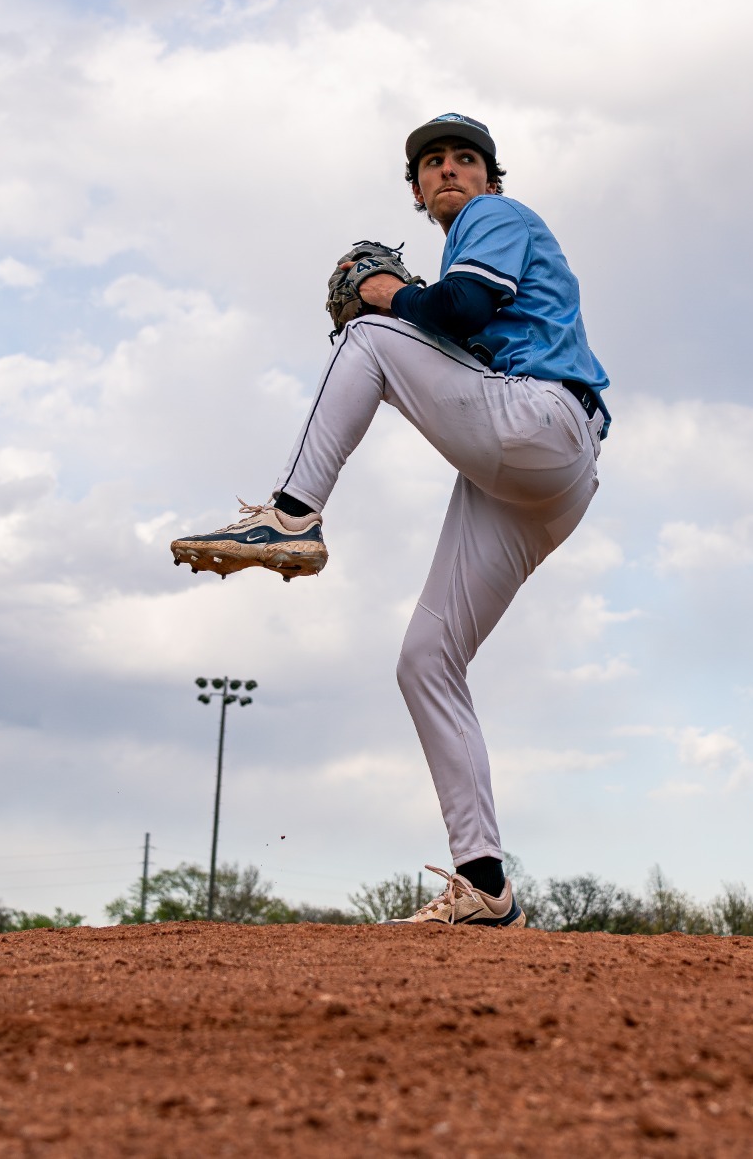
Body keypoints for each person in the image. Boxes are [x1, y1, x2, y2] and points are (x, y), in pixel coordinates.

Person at [171, 113, 610, 926]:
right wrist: (417, 306)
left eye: (466, 159)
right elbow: (458, 330)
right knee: (425, 658)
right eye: (433, 163)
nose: (450, 170)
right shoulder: (469, 238)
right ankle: (485, 884)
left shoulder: (497, 218)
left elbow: (462, 305)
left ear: (490, 178)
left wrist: (385, 293)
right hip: (541, 476)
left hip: (541, 422)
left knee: (372, 332)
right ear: (415, 189)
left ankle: (293, 515)